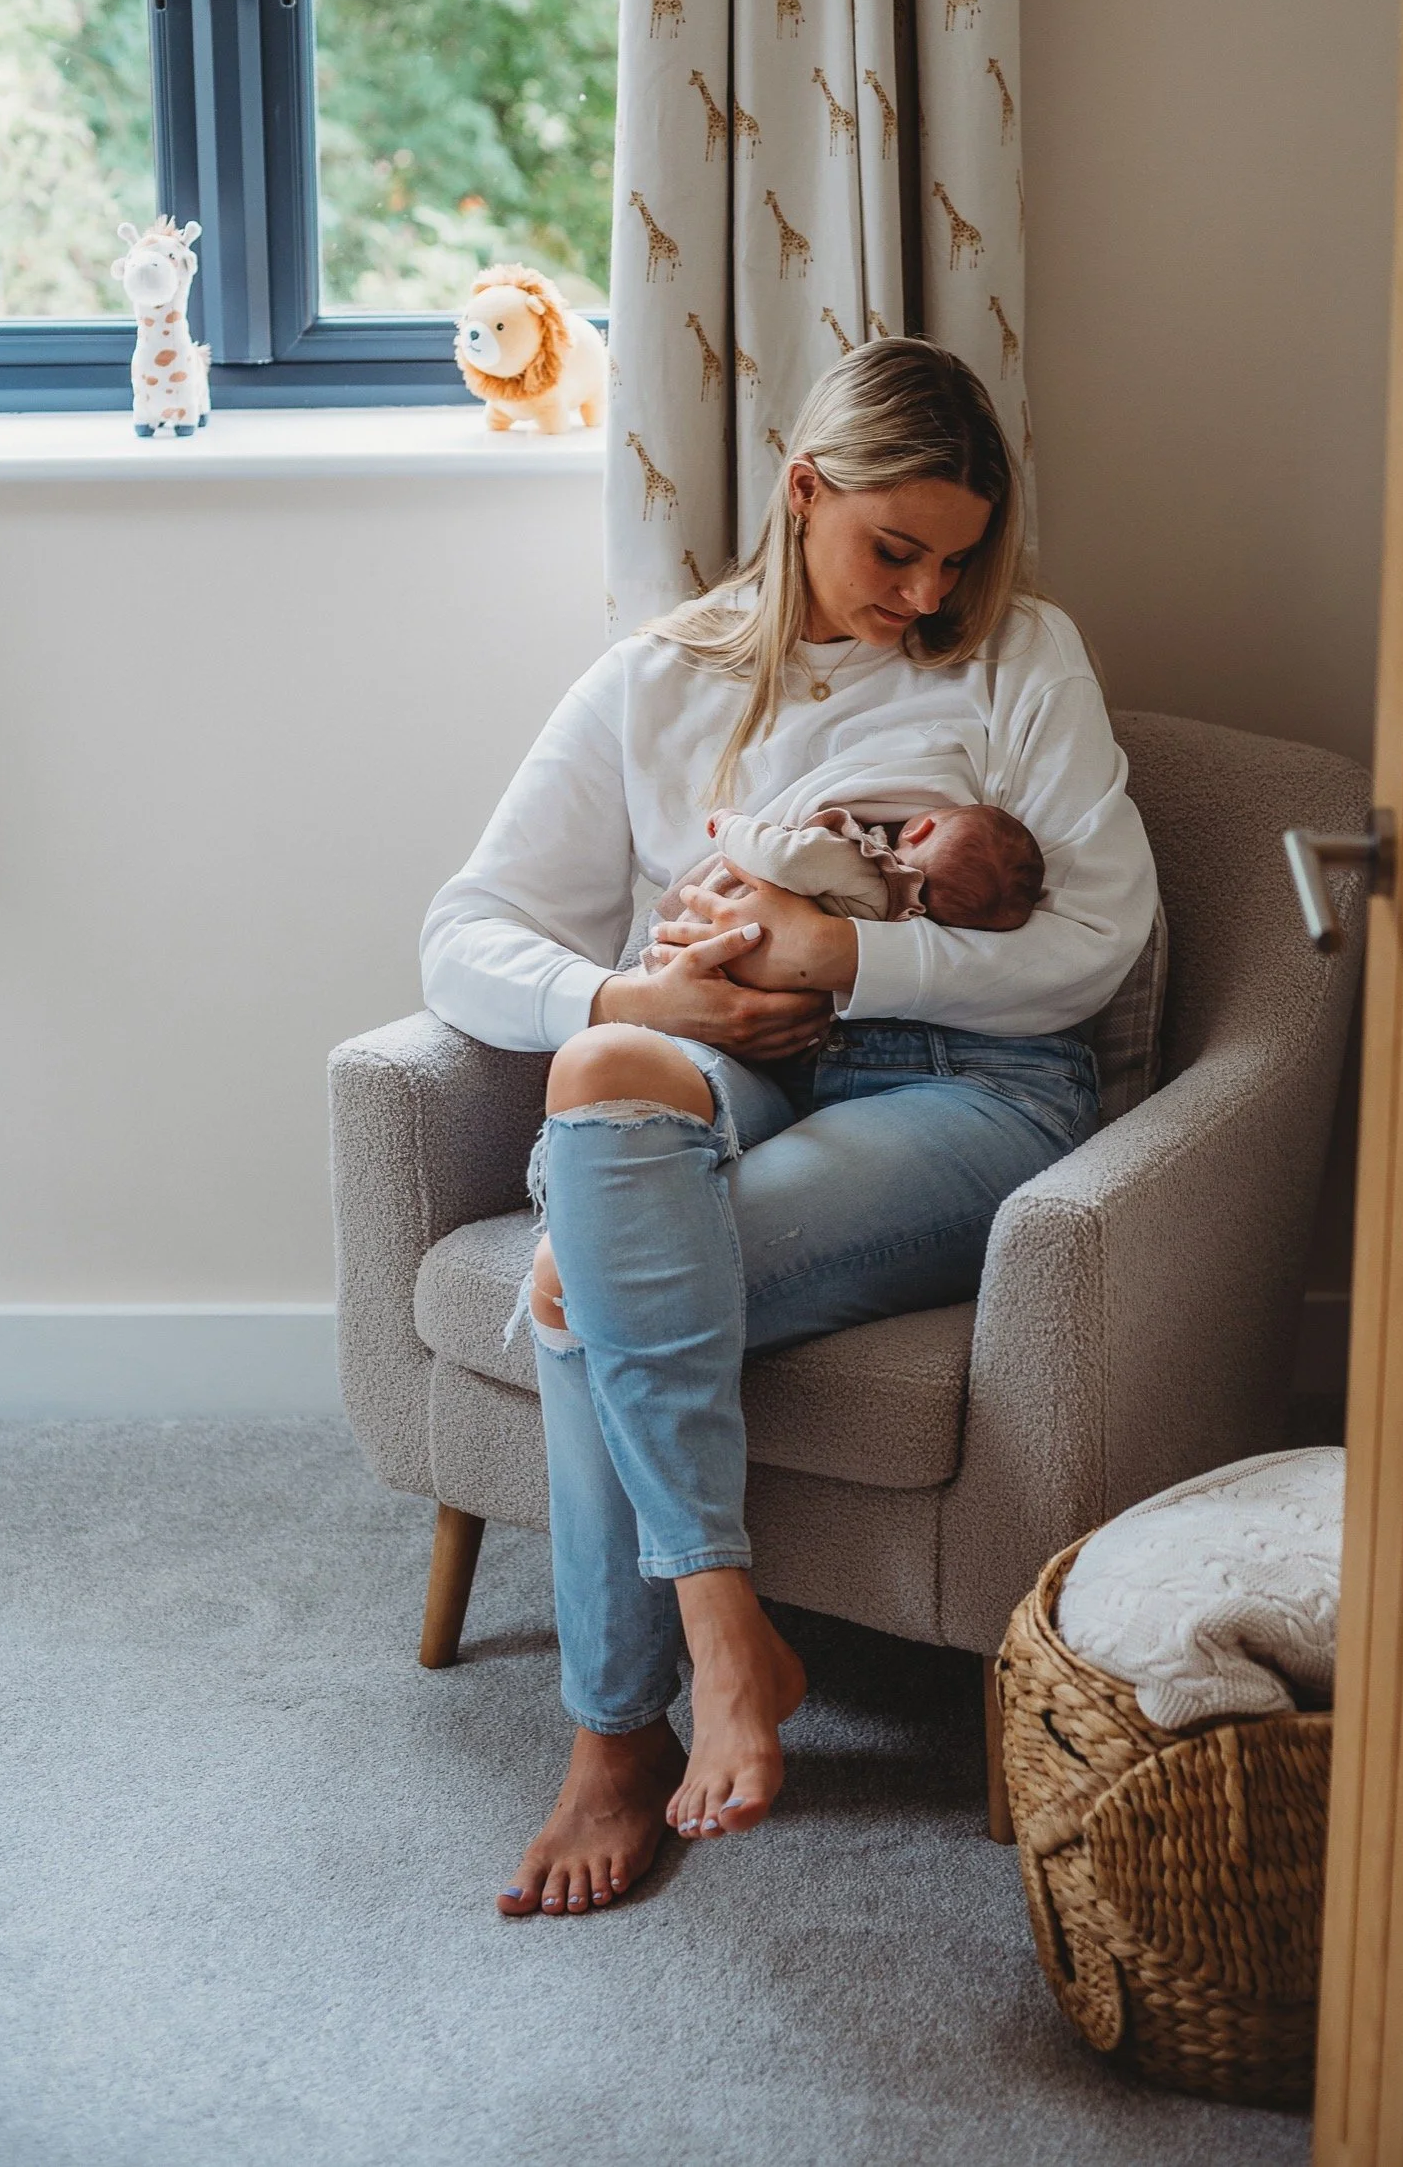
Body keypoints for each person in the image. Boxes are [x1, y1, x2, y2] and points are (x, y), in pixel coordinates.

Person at [419, 338, 1158, 1919]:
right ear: (801, 494)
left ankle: (612, 1741)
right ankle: (723, 1617)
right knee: (600, 1078)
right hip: (738, 1060)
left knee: (588, 1286)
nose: (922, 594)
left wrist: (846, 951)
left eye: (954, 558)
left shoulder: (1018, 657)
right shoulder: (656, 678)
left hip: (970, 1085)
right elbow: (462, 936)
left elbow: (1097, 940)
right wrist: (635, 1000)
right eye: (894, 549)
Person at [655, 797, 1049, 931]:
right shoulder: (895, 917)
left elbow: (782, 855)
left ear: (922, 827)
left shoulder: (860, 869)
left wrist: (729, 824)